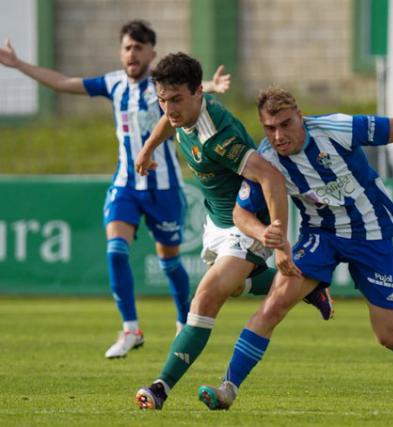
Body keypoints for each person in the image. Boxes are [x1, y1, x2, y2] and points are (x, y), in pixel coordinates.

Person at [195, 86, 393, 410]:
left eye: (286, 124)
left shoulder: (335, 128)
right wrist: (264, 232)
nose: (279, 135)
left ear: (300, 116)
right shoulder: (267, 159)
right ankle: (228, 388)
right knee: (274, 306)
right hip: (321, 234)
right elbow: (240, 213)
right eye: (270, 128)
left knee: (388, 334)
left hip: (371, 233)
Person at [0, 21, 233, 358]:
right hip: (125, 184)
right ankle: (130, 329)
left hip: (163, 187)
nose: (132, 54)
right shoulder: (112, 84)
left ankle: (185, 323)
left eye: (139, 48)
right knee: (115, 251)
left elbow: (191, 94)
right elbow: (65, 83)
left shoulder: (162, 88)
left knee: (169, 263)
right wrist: (19, 64)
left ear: (152, 52)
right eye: (127, 47)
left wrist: (210, 84)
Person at [133, 53, 333, 410]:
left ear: (198, 93)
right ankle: (307, 285)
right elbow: (170, 122)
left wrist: (278, 237)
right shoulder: (181, 112)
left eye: (177, 99)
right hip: (217, 220)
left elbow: (271, 176)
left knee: (206, 296)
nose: (170, 108)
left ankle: (160, 387)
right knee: (237, 286)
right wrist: (148, 147)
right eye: (163, 100)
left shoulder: (219, 136)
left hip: (246, 221)